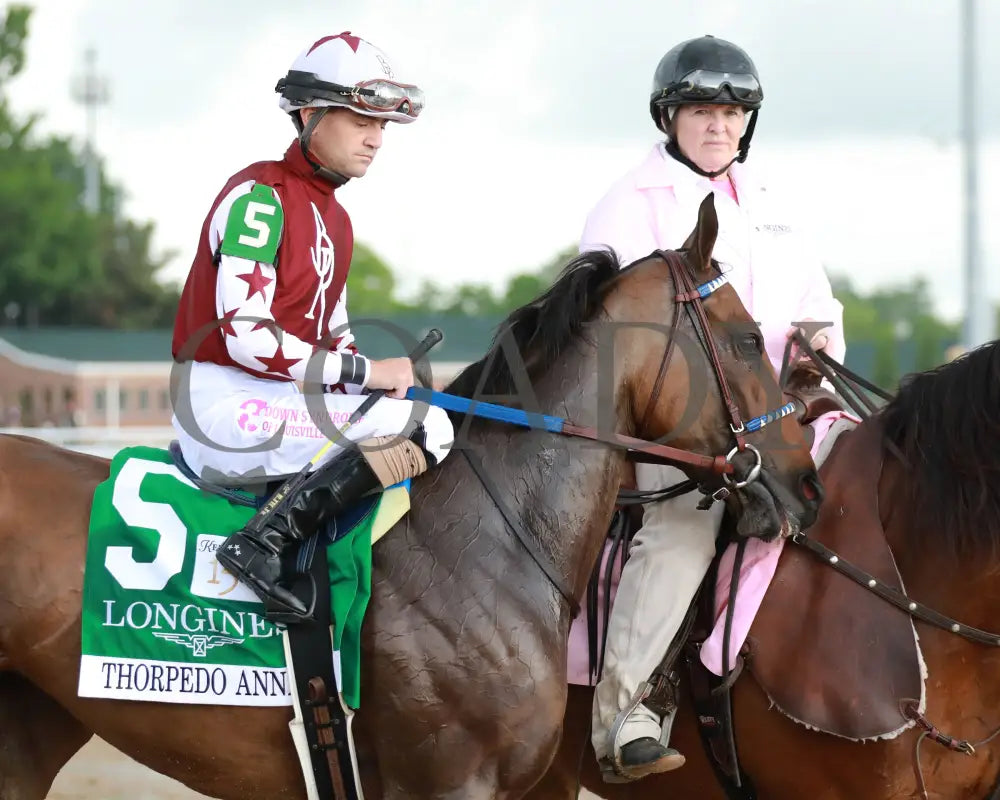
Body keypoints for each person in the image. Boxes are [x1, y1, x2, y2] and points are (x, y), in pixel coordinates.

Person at [578, 34, 847, 781]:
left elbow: (817, 310)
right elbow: (618, 345)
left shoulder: (772, 203)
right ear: (669, 119)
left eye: (732, 113)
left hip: (784, 418)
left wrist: (816, 359)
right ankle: (626, 713)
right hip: (677, 436)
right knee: (684, 528)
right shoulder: (628, 209)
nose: (718, 126)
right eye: (700, 111)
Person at [170, 31, 453, 620]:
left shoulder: (336, 219)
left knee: (426, 419)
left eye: (382, 126)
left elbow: (336, 339)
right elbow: (249, 340)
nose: (376, 138)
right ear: (309, 113)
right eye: (359, 120)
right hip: (223, 406)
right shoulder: (259, 198)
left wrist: (375, 382)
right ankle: (262, 543)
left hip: (280, 401)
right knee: (421, 428)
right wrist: (370, 372)